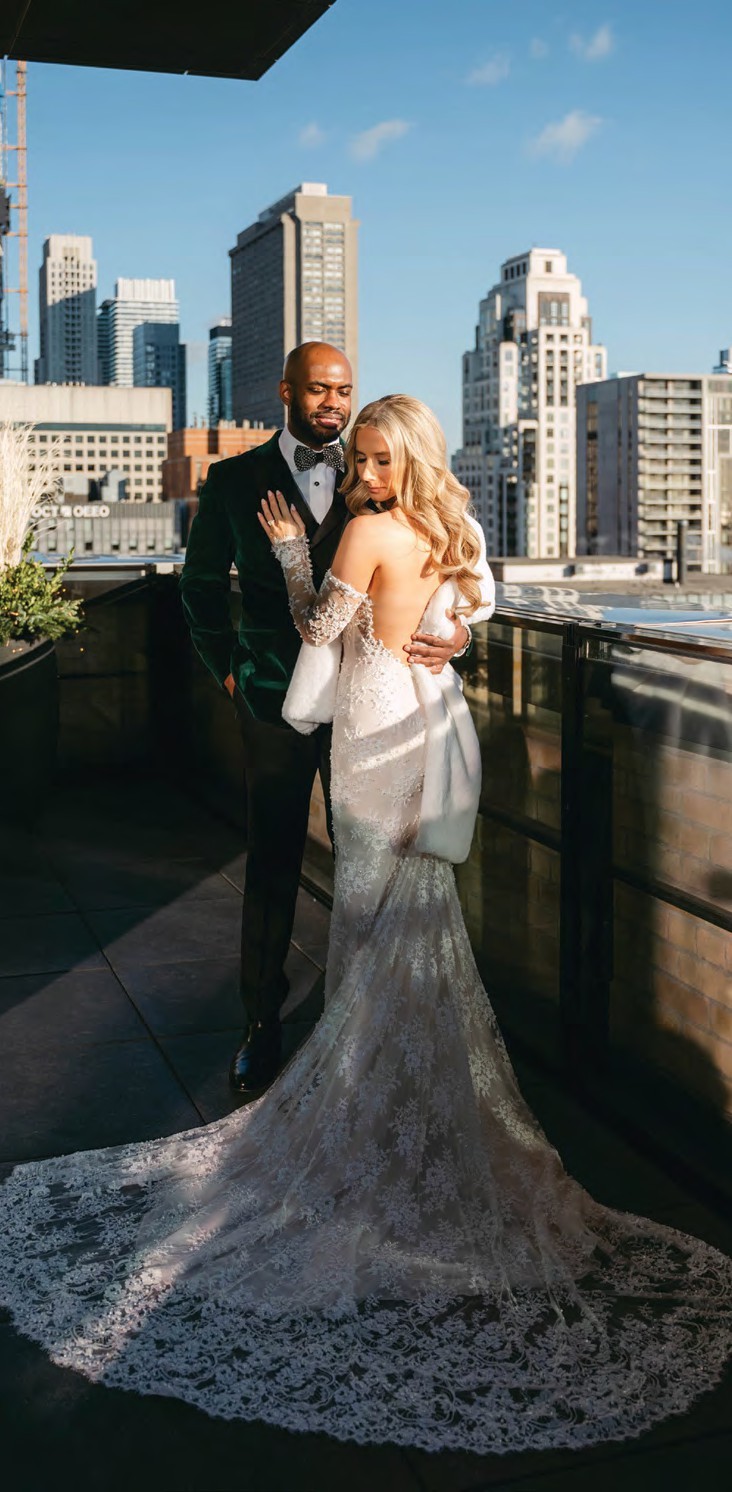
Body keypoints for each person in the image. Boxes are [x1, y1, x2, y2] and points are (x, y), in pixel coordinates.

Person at [0, 395, 730, 1458]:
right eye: (362, 459)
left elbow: (316, 637)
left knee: (376, 918)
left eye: (380, 457)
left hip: (369, 740)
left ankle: (370, 1112)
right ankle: (418, 1106)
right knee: (415, 921)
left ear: (407, 458)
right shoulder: (450, 525)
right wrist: (452, 631)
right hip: (420, 729)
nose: (364, 471)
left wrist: (299, 562)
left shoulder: (372, 529)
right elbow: (472, 601)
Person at [179, 343, 476, 1093]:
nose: (333, 404)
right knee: (274, 861)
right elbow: (201, 587)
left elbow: (464, 574)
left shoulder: (376, 463)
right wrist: (228, 670)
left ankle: (364, 1023)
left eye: (344, 390)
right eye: (319, 390)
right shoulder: (233, 479)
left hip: (373, 712)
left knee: (369, 865)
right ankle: (259, 1024)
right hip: (277, 701)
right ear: (287, 392)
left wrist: (463, 631)